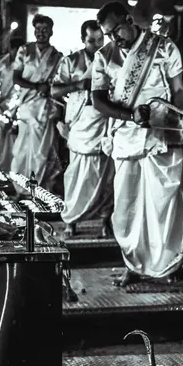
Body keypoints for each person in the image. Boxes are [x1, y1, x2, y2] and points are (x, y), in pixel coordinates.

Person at [91, 1, 183, 284]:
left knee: (166, 201)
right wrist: (130, 114)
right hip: (126, 138)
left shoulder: (163, 47)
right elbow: (98, 100)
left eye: (116, 30)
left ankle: (169, 264)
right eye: (108, 34)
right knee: (128, 205)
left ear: (129, 19)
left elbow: (178, 90)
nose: (114, 38)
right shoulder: (104, 56)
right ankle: (135, 265)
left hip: (162, 135)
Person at [52, 20, 112, 237]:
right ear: (82, 40)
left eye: (100, 40)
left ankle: (107, 220)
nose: (96, 45)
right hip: (79, 123)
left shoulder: (112, 60)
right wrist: (78, 85)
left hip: (105, 121)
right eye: (91, 41)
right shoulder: (71, 61)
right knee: (76, 175)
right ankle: (71, 222)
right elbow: (54, 90)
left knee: (106, 174)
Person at [10, 15, 63, 190]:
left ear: (51, 32)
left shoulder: (57, 56)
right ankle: (20, 186)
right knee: (21, 150)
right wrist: (35, 86)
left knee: (41, 151)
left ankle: (37, 188)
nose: (41, 33)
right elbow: (16, 78)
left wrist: (47, 88)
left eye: (45, 29)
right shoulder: (24, 50)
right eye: (38, 29)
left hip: (44, 108)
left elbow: (58, 82)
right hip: (26, 106)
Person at [0, 36, 25, 171]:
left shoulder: (25, 63)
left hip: (17, 103)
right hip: (2, 103)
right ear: (10, 49)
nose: (16, 53)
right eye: (14, 50)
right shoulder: (1, 62)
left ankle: (12, 170)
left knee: (13, 135)